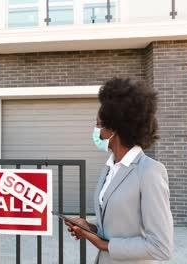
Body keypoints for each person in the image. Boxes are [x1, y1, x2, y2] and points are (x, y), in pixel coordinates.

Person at [65, 78, 174, 263]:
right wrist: (89, 228)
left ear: (114, 127)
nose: (97, 131)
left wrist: (102, 244)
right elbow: (114, 227)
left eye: (99, 124)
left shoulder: (149, 172)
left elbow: (161, 247)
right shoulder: (109, 168)